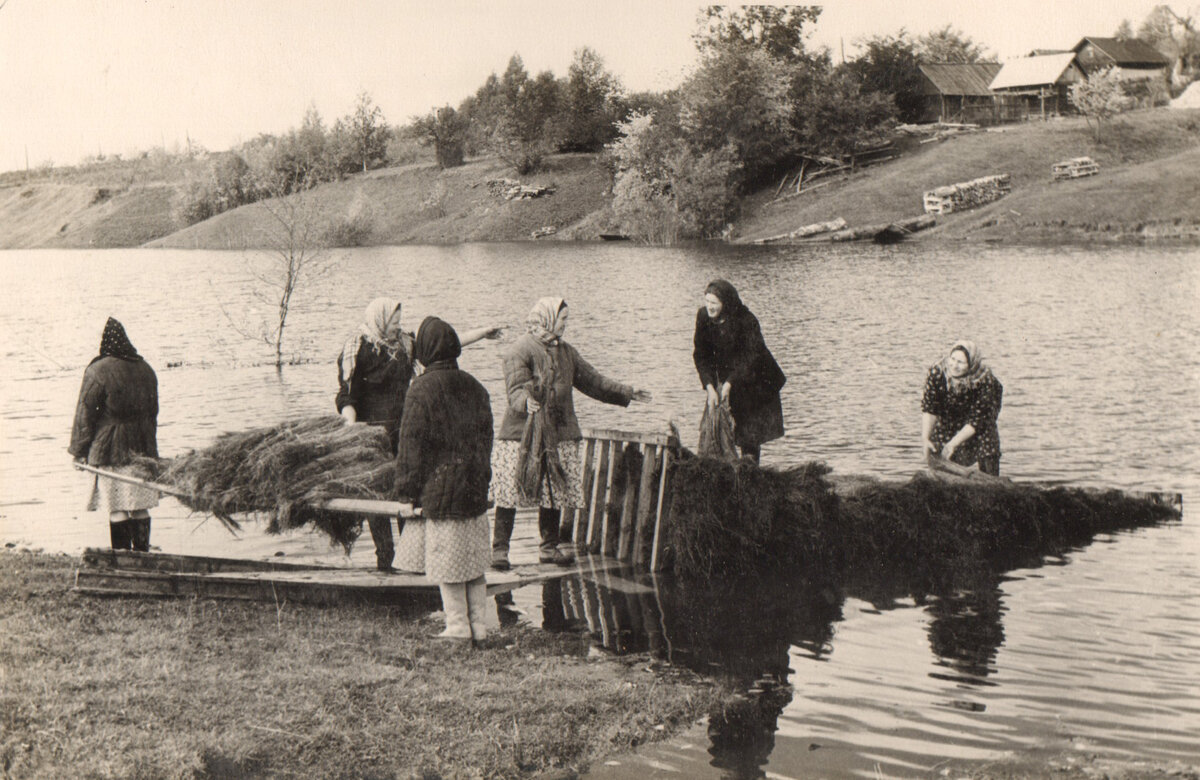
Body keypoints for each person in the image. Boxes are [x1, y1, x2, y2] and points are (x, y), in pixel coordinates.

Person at [336, 297, 498, 571]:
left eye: (399, 322)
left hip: (406, 427)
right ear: (379, 320)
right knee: (378, 495)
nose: (397, 327)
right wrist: (351, 428)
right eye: (393, 322)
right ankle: (385, 560)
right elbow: (347, 394)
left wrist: (483, 333)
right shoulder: (358, 347)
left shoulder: (404, 344)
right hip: (372, 434)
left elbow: (442, 347)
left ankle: (411, 560)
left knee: (409, 491)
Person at [491, 297, 651, 569]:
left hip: (558, 433)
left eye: (566, 320)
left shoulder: (566, 353)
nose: (565, 325)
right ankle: (500, 550)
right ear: (547, 318)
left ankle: (548, 547)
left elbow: (593, 381)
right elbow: (515, 388)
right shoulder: (519, 349)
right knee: (510, 489)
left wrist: (626, 392)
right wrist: (525, 402)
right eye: (562, 319)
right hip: (522, 434)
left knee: (554, 488)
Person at [394, 317, 494, 642]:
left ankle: (458, 626)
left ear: (424, 352)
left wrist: (406, 495)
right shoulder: (476, 387)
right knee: (474, 559)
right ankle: (479, 625)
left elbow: (411, 447)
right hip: (474, 485)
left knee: (449, 559)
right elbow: (486, 440)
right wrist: (482, 479)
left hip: (440, 488)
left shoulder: (420, 390)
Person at [69, 317, 159, 552]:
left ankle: (122, 558)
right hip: (143, 448)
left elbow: (85, 415)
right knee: (140, 505)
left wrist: (79, 452)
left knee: (117, 505)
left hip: (110, 448)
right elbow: (153, 412)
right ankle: (143, 555)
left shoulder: (98, 370)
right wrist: (151, 450)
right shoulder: (146, 369)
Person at [692, 279, 786, 464]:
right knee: (719, 428)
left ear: (725, 303)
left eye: (714, 303)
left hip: (757, 379)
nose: (709, 307)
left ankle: (750, 473)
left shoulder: (746, 320)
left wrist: (729, 383)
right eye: (707, 302)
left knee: (749, 433)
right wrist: (709, 386)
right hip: (728, 376)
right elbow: (701, 355)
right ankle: (728, 471)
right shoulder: (703, 317)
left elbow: (751, 357)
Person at [921, 340, 1003, 476]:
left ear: (971, 364)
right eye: (952, 359)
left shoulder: (987, 382)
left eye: (960, 362)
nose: (954, 366)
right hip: (948, 425)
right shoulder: (937, 373)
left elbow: (978, 420)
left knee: (988, 463)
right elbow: (930, 408)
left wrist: (953, 443)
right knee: (941, 467)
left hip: (978, 430)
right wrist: (925, 438)